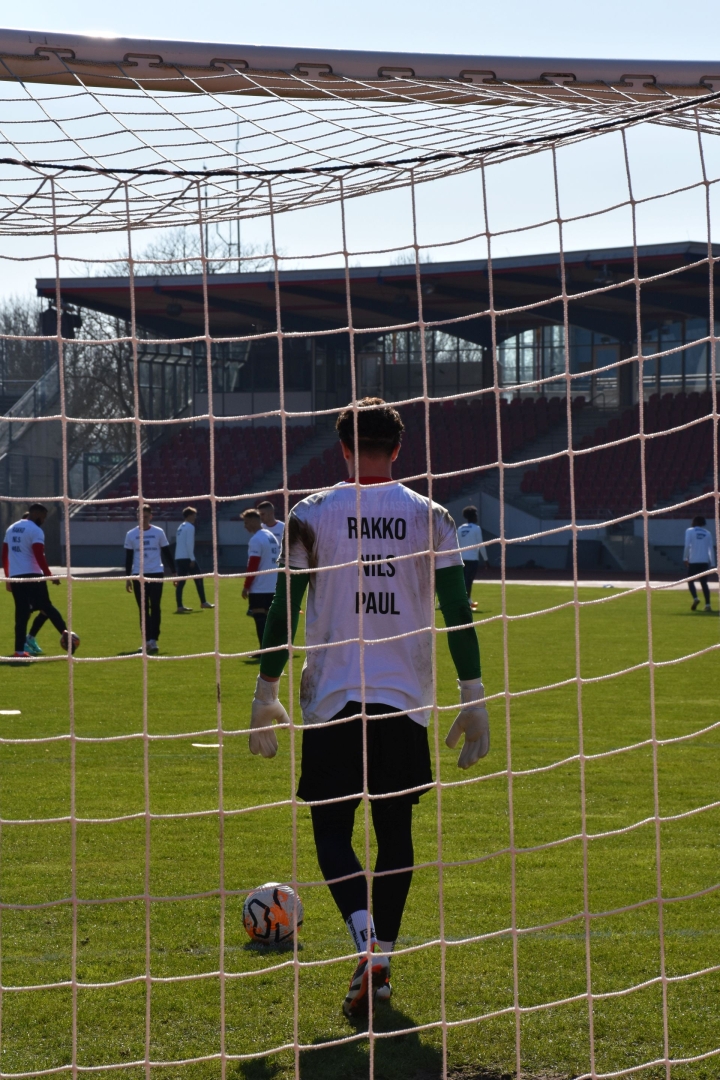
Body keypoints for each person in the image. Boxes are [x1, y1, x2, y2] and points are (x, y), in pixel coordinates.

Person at [248, 397, 490, 1017]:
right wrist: (474, 695)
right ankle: (382, 956)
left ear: (342, 448)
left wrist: (266, 689)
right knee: (395, 834)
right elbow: (458, 612)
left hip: (333, 698)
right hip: (404, 700)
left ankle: (366, 946)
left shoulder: (310, 513)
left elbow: (283, 609)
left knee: (331, 830)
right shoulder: (432, 516)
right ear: (399, 449)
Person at [2, 503, 70, 659]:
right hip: (33, 575)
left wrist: (7, 577)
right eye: (43, 517)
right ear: (37, 514)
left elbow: (4, 554)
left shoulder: (11, 528)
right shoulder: (35, 530)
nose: (44, 520)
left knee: (21, 613)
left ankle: (19, 651)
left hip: (16, 577)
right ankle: (66, 633)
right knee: (46, 606)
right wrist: (49, 575)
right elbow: (38, 554)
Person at [124, 504, 175, 654]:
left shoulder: (158, 532)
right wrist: (127, 578)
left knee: (156, 606)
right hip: (138, 575)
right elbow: (128, 558)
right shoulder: (131, 534)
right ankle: (146, 640)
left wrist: (174, 572)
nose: (143, 519)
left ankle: (154, 639)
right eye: (140, 516)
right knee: (143, 608)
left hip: (156, 573)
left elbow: (167, 552)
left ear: (151, 517)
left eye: (146, 516)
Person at [241, 508, 280, 652]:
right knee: (270, 620)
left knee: (259, 617)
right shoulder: (270, 536)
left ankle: (264, 650)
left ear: (253, 521)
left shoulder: (256, 539)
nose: (245, 526)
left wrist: (246, 585)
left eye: (246, 522)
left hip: (260, 586)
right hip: (273, 584)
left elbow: (253, 564)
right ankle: (275, 648)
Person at [174, 507, 214, 613]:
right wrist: (192, 558)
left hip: (179, 557)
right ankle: (203, 602)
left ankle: (179, 606)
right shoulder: (190, 527)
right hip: (187, 557)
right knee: (199, 578)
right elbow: (189, 544)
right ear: (189, 515)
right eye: (194, 515)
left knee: (181, 583)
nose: (195, 517)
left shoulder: (180, 526)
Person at [457, 505, 488, 611]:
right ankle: (467, 602)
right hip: (472, 559)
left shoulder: (460, 528)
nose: (477, 517)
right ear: (473, 516)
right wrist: (486, 559)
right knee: (468, 581)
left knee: (461, 581)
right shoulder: (476, 528)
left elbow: (457, 544)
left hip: (461, 558)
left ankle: (466, 600)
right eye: (476, 515)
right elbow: (481, 544)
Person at [683, 515, 716, 612]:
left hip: (693, 560)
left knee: (690, 581)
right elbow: (711, 549)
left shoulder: (689, 531)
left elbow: (687, 545)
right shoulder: (707, 533)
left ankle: (695, 598)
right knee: (704, 583)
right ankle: (708, 604)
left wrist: (685, 557)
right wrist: (713, 563)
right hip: (704, 561)